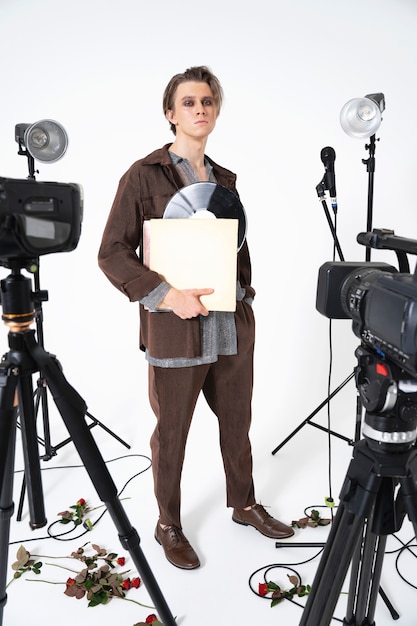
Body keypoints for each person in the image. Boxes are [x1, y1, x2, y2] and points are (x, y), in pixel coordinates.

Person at [98, 66, 294, 570]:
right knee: (173, 433)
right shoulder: (143, 175)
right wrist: (165, 295)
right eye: (188, 102)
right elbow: (112, 252)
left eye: (207, 101)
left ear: (216, 111)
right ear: (171, 113)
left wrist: (245, 295)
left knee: (237, 423)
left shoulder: (225, 179)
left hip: (230, 326)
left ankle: (244, 504)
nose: (199, 109)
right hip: (176, 326)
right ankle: (168, 524)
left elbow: (236, 244)